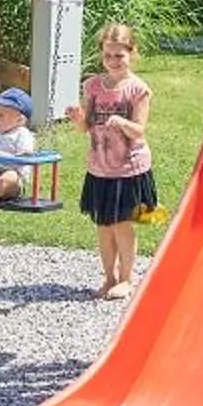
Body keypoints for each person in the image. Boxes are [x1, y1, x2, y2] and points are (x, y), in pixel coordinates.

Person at [65, 24, 155, 299]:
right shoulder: (92, 86)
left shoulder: (138, 89)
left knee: (121, 224)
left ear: (132, 53)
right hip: (100, 166)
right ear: (101, 55)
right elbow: (85, 127)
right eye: (108, 56)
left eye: (120, 56)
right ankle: (109, 277)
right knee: (103, 224)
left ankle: (127, 278)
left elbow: (139, 130)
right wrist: (78, 118)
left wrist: (121, 122)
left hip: (128, 167)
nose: (114, 61)